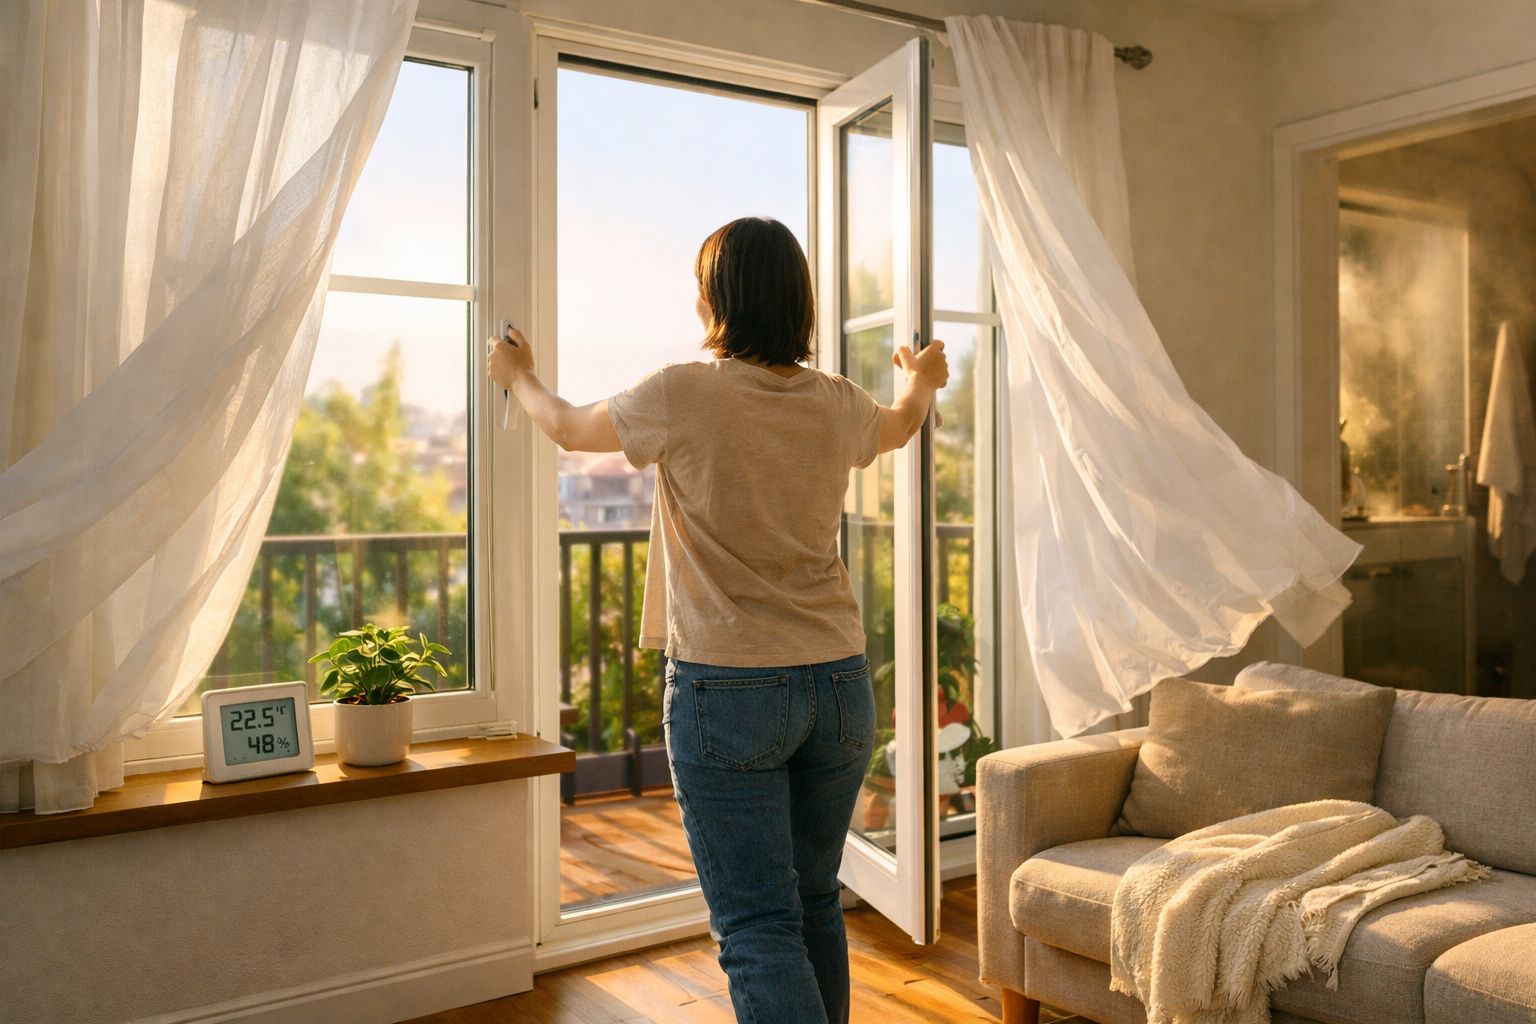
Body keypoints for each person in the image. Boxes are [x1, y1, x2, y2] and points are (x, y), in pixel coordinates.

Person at [487, 216, 948, 1023]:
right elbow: (902, 424)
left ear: (715, 297)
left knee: (757, 925)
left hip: (729, 689)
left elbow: (565, 427)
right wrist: (923, 380)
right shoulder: (835, 400)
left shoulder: (683, 392)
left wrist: (516, 373)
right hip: (838, 686)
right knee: (811, 906)